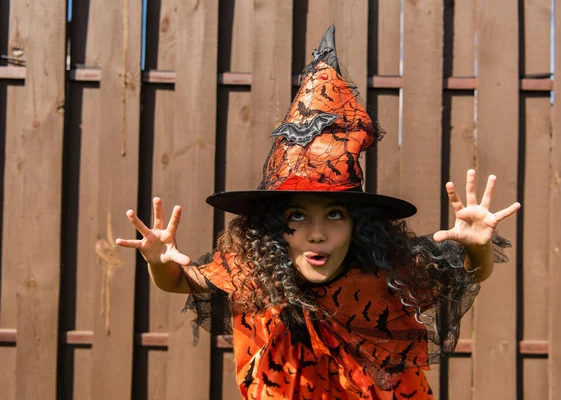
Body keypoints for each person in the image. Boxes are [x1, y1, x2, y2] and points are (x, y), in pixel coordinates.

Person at [116, 25, 520, 400]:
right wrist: (159, 261)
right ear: (274, 228)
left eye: (333, 216)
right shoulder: (252, 271)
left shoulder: (389, 272)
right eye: (296, 217)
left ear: (356, 225)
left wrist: (479, 247)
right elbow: (180, 281)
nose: (316, 233)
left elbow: (470, 271)